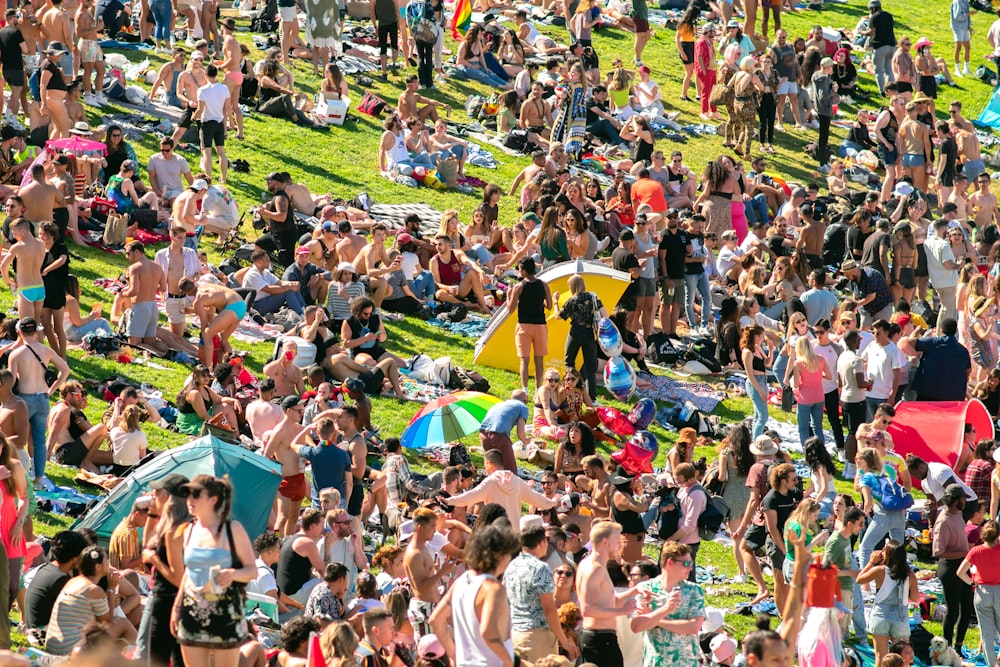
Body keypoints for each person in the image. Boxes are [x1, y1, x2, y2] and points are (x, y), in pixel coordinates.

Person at [172, 475, 257, 667]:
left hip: (225, 612)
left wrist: (233, 574)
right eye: (187, 494)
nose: (189, 500)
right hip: (192, 611)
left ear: (213, 499)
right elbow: (188, 573)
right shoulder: (189, 530)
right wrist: (177, 607)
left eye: (195, 494)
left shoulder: (232, 528)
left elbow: (252, 570)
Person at [428, 524, 520, 666]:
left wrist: (453, 655)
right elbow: (488, 631)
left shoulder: (461, 581)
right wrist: (509, 661)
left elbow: (435, 620)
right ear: (499, 555)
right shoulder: (493, 589)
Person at [10, 317, 70, 485]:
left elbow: (11, 380)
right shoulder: (46, 350)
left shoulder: (16, 354)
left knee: (18, 438)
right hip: (43, 398)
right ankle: (38, 478)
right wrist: (52, 390)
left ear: (19, 332)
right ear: (36, 331)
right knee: (39, 440)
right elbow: (65, 370)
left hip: (24, 398)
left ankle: (20, 474)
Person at [45, 547, 136, 654]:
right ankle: (142, 658)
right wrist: (111, 588)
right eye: (106, 560)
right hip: (71, 649)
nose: (109, 563)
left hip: (54, 645)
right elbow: (106, 623)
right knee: (122, 623)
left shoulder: (73, 581)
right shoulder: (94, 590)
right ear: (98, 567)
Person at [630, 540, 706, 667]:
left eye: (691, 563)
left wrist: (655, 619)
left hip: (685, 663)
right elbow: (636, 626)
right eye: (686, 563)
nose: (690, 568)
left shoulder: (694, 590)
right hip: (655, 662)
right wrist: (666, 609)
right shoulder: (646, 588)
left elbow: (694, 627)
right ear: (670, 562)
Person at [935, 484, 973, 650]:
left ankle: (958, 646)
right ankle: (947, 646)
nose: (965, 501)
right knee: (953, 610)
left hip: (962, 564)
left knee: (967, 607)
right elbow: (938, 551)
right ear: (954, 500)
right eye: (962, 498)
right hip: (949, 568)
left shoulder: (959, 514)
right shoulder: (943, 521)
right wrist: (962, 553)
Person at [506, 257, 552, 393]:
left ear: (524, 271)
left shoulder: (518, 287)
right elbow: (549, 305)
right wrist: (539, 303)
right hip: (540, 326)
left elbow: (510, 310)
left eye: (519, 269)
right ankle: (538, 390)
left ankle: (525, 390)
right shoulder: (544, 285)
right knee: (539, 361)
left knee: (524, 361)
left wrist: (509, 296)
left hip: (524, 326)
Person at [908, 318, 971, 401]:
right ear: (956, 331)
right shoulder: (963, 351)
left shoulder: (933, 342)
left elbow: (910, 341)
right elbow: (968, 371)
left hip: (928, 394)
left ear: (941, 330)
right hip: (953, 397)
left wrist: (917, 330)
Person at [194, 64, 231, 183]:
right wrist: (231, 122)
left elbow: (200, 109)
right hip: (219, 122)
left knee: (207, 153)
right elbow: (227, 108)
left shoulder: (202, 90)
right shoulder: (224, 88)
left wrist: (193, 117)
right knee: (221, 153)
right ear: (217, 74)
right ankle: (223, 178)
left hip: (207, 124)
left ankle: (208, 178)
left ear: (205, 75)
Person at [478, 391, 529, 474]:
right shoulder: (522, 407)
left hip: (483, 434)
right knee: (510, 473)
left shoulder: (499, 404)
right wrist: (525, 441)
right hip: (499, 436)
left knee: (492, 469)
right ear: (525, 400)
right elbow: (520, 432)